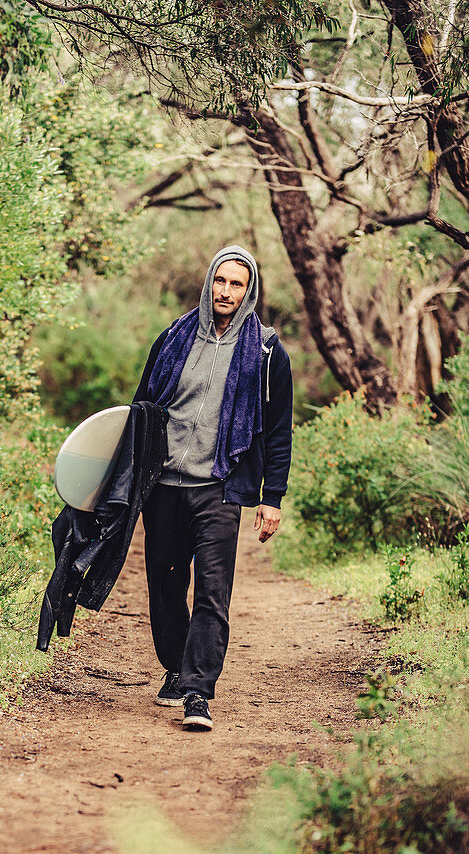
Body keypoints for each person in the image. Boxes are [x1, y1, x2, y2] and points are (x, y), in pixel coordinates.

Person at [133, 245, 293, 731]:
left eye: (237, 284)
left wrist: (271, 498)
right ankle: (176, 668)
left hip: (220, 486)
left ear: (250, 290)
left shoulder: (266, 351)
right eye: (220, 281)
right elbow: (142, 408)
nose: (226, 291)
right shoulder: (174, 338)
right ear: (208, 283)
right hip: (163, 485)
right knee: (164, 584)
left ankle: (198, 692)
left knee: (212, 591)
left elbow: (278, 429)